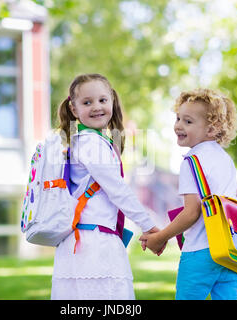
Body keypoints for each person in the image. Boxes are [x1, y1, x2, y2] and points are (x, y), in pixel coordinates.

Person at [51, 73, 159, 300]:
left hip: (86, 242)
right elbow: (117, 190)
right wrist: (149, 226)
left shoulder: (91, 140)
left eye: (102, 100)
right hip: (93, 246)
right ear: (74, 109)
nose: (96, 107)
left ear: (112, 100)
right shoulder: (90, 142)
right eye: (87, 102)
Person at [140, 88, 237, 300]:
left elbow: (191, 212)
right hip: (232, 251)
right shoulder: (226, 160)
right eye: (178, 118)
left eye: (188, 121)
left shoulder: (192, 161)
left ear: (212, 129)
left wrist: (160, 238)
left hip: (201, 251)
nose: (178, 125)